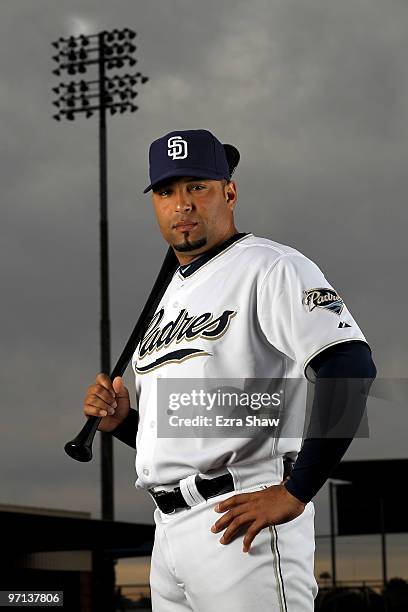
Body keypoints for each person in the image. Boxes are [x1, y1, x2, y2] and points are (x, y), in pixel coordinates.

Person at [83, 129, 376, 611]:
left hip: (243, 521)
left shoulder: (271, 266)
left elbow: (350, 367)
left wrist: (298, 490)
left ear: (229, 191)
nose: (182, 203)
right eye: (167, 191)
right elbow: (205, 425)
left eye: (197, 186)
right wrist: (125, 423)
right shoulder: (169, 297)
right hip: (169, 531)